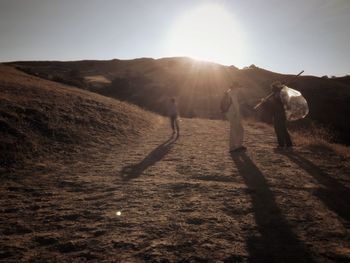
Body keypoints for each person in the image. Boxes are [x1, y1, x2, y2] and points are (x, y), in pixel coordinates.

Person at [221, 82, 245, 152]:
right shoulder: (234, 93)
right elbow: (235, 104)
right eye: (239, 87)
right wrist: (238, 114)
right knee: (236, 129)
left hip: (229, 112)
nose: (239, 89)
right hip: (233, 113)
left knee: (237, 129)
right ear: (236, 87)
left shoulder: (229, 91)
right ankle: (234, 147)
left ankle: (236, 146)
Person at [268, 81, 293, 149]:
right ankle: (289, 145)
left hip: (279, 114)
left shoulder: (278, 95)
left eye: (272, 88)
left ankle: (281, 145)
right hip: (281, 114)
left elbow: (275, 104)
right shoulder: (281, 94)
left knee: (278, 129)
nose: (272, 89)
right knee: (283, 129)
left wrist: (266, 101)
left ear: (275, 88)